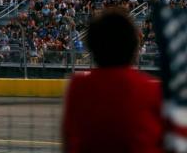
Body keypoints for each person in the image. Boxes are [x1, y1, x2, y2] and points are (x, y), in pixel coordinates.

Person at [62, 8, 163, 153]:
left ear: (93, 47)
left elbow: (71, 142)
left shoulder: (79, 87)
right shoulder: (152, 90)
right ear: (133, 48)